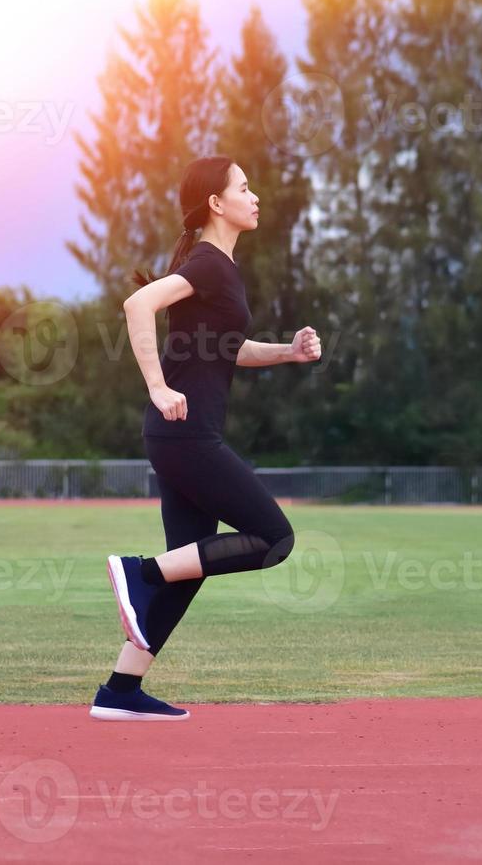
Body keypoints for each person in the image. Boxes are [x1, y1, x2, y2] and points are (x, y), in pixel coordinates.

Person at [91, 156, 323, 722]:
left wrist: (286, 352)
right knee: (273, 538)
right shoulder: (210, 265)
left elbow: (229, 351)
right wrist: (158, 386)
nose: (255, 194)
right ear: (217, 203)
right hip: (185, 433)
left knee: (190, 567)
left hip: (179, 436)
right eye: (245, 187)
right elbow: (136, 303)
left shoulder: (218, 268)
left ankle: (120, 690)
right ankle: (141, 572)